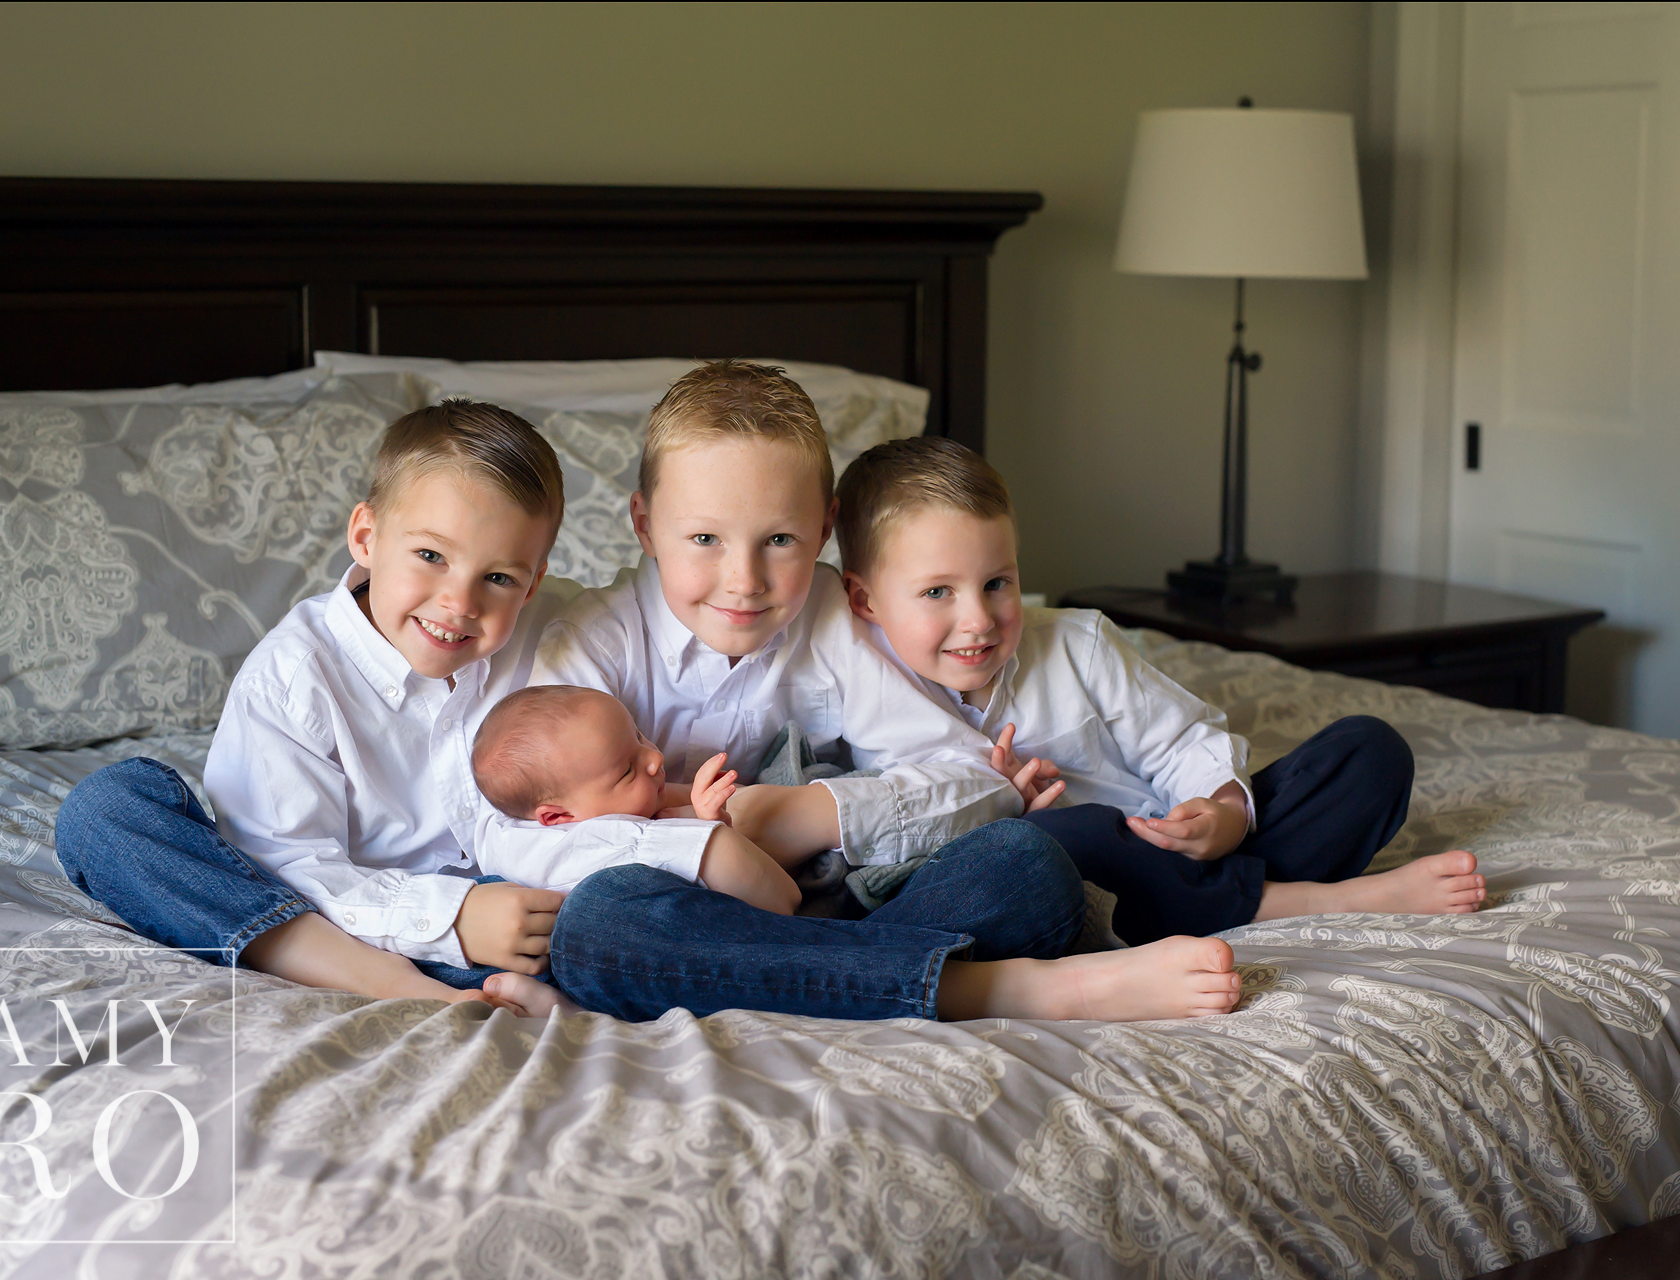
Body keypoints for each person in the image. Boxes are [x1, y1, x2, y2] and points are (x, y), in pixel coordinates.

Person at [526, 360, 1244, 1022]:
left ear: (827, 528)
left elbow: (971, 780)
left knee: (1026, 866)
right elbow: (519, 834)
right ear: (645, 524)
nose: (744, 580)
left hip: (854, 913)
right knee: (597, 927)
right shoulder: (590, 643)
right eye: (705, 539)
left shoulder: (837, 617)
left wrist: (808, 816)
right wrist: (708, 851)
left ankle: (816, 977)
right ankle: (999, 988)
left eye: (780, 539)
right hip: (697, 921)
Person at [833, 435, 1487, 948]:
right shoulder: (855, 687)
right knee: (1065, 834)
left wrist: (1221, 812)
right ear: (863, 598)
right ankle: (1322, 901)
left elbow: (1180, 741)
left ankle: (1222, 892)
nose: (977, 618)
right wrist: (1002, 808)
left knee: (1368, 751)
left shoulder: (1077, 642)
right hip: (1086, 881)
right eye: (938, 592)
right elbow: (892, 843)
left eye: (997, 582)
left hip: (1177, 850)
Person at [55, 400, 581, 1016]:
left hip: (525, 922)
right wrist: (454, 918)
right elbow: (286, 865)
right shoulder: (293, 676)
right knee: (103, 815)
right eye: (431, 557)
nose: (459, 602)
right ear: (366, 536)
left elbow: (669, 610)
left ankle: (543, 991)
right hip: (341, 927)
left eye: (499, 579)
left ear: (534, 581)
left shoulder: (562, 629)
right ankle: (396, 988)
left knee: (636, 904)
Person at [470, 683, 799, 914]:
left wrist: (705, 811)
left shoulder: (620, 800)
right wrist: (710, 826)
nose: (654, 758)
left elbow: (674, 810)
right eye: (627, 771)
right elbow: (785, 902)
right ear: (558, 818)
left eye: (638, 735)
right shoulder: (590, 849)